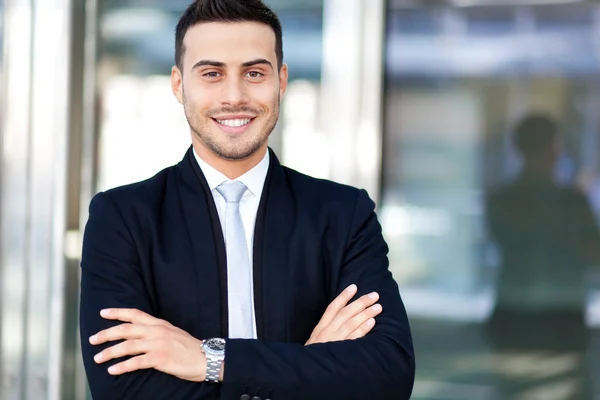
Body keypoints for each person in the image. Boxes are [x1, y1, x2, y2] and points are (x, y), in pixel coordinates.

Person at [79, 1, 415, 399]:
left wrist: (209, 360)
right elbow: (122, 388)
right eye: (211, 73)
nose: (234, 95)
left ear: (282, 81)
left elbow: (387, 374)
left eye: (254, 73)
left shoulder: (343, 214)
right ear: (178, 84)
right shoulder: (122, 218)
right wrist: (306, 368)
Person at [486, 113, 600, 397]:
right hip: (561, 319)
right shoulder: (570, 201)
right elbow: (593, 252)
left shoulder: (502, 199)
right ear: (553, 147)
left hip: (513, 316)